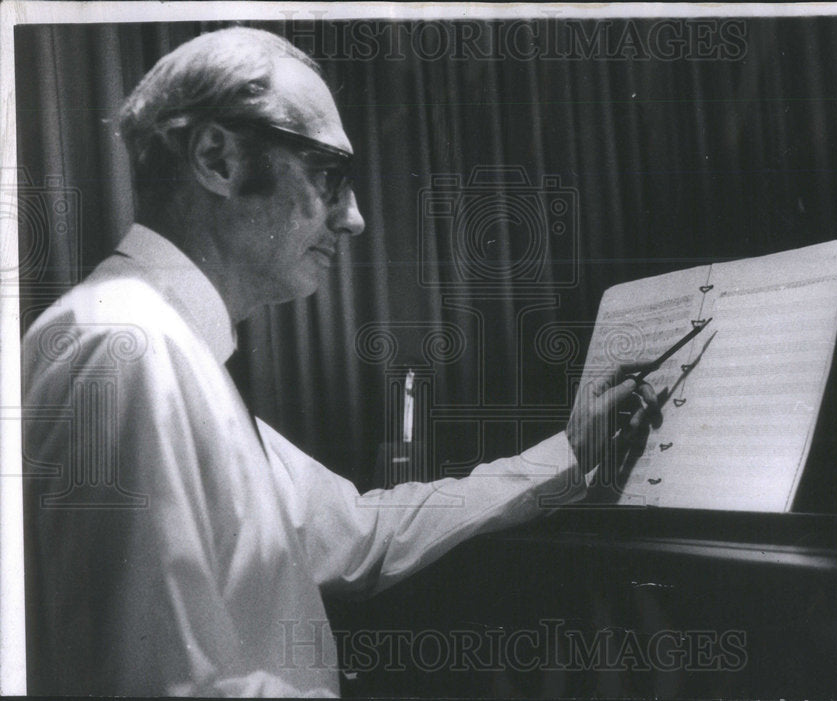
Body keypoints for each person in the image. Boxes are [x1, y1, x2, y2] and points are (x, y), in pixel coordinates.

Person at [20, 27, 659, 696]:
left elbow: (356, 530)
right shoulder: (126, 348)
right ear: (216, 158)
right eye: (329, 175)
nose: (353, 219)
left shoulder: (164, 347)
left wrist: (570, 460)